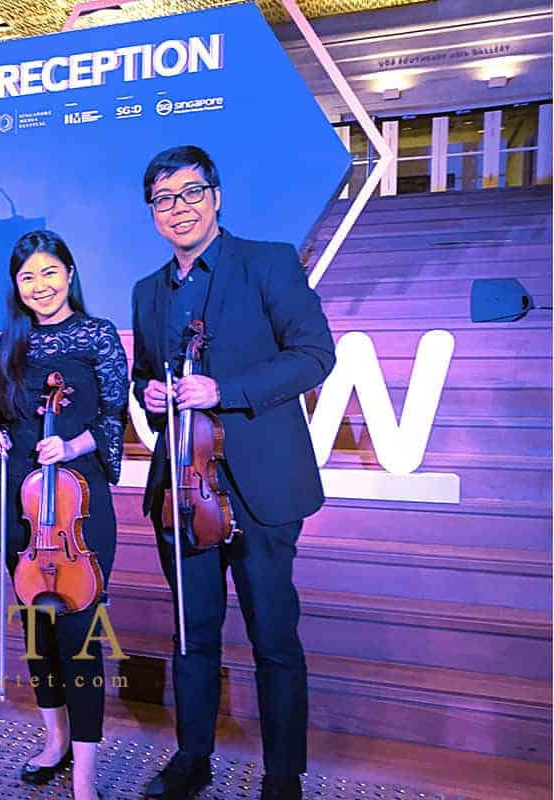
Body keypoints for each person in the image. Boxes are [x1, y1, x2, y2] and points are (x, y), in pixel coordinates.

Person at [130, 145, 336, 800]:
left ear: (216, 196)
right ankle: (193, 760)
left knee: (274, 637)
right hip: (185, 492)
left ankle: (283, 775)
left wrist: (227, 389)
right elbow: (145, 379)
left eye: (190, 193)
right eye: (164, 200)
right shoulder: (147, 291)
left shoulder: (268, 262)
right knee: (192, 633)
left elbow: (313, 357)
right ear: (153, 215)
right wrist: (153, 396)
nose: (179, 209)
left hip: (262, 488)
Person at [0, 230, 128, 800]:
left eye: (49, 272)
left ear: (69, 272)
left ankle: (86, 773)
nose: (39, 286)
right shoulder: (8, 345)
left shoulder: (97, 335)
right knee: (37, 627)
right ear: (16, 287)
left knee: (80, 633)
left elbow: (116, 417)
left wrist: (73, 447)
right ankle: (55, 740)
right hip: (21, 501)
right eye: (27, 277)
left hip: (78, 506)